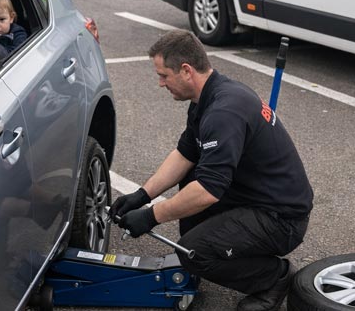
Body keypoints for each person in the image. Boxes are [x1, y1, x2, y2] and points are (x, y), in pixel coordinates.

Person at [111, 30, 313, 311]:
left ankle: (274, 278)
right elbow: (185, 154)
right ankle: (215, 250)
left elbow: (208, 191)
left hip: (280, 220)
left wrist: (151, 216)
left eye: (164, 75)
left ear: (186, 70)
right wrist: (142, 195)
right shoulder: (208, 97)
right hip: (253, 196)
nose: (160, 83)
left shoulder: (223, 113)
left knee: (193, 252)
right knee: (192, 176)